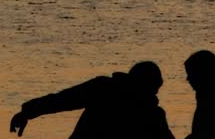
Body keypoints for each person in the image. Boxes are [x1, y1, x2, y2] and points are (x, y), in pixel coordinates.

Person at [10, 60, 174, 139]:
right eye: (155, 88)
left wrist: (27, 112)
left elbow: (62, 100)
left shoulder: (103, 88)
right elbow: (64, 100)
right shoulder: (152, 115)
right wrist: (27, 112)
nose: (155, 93)